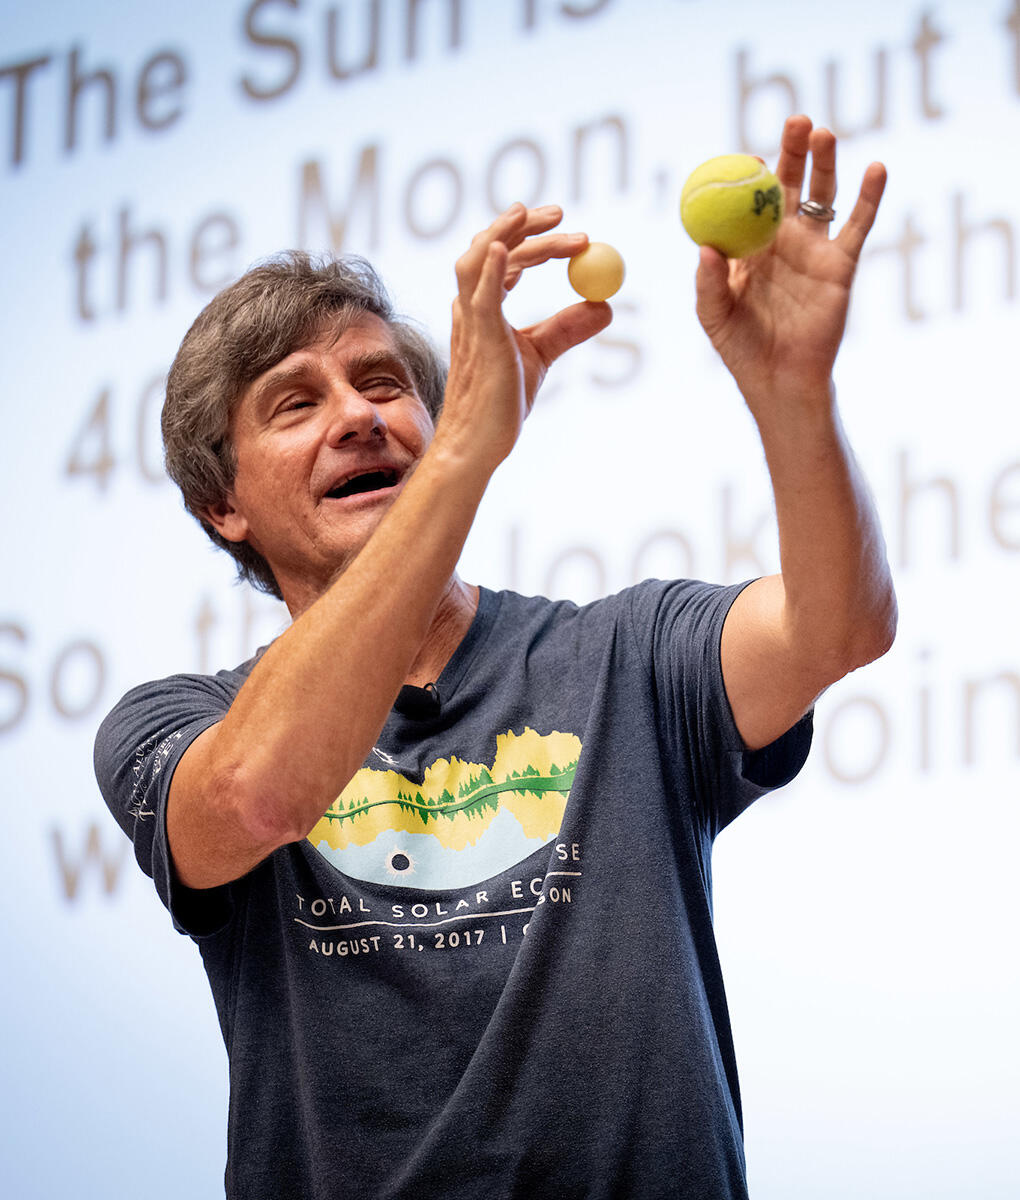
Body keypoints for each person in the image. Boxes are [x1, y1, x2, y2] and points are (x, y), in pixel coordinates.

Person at [95, 115, 896, 1200]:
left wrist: (795, 391)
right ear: (221, 505)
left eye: (386, 386)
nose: (360, 419)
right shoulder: (169, 724)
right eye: (298, 402)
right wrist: (465, 451)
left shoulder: (626, 655)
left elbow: (838, 626)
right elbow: (255, 797)